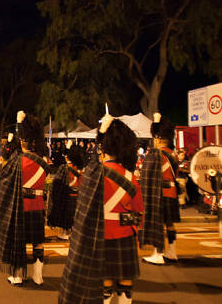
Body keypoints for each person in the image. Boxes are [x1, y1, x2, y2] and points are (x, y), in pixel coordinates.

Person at [58, 115, 144, 304]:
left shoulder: (92, 174)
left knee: (104, 281)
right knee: (125, 281)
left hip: (100, 234)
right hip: (125, 235)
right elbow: (138, 213)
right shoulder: (131, 177)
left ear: (102, 147)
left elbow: (83, 209)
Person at [0, 111, 49, 286]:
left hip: (20, 206)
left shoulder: (16, 161)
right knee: (38, 243)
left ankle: (18, 276)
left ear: (22, 140)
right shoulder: (44, 162)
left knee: (19, 242)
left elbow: (2, 182)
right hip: (38, 206)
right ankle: (38, 276)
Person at [140, 113, 181, 264]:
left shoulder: (156, 154)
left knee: (157, 223)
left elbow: (149, 176)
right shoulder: (172, 154)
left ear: (157, 137)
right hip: (172, 193)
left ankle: (158, 253)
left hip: (160, 194)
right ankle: (172, 251)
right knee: (169, 224)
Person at [48, 142, 85, 240]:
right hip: (78, 197)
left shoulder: (63, 168)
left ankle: (65, 232)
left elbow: (56, 185)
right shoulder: (81, 169)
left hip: (66, 197)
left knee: (66, 216)